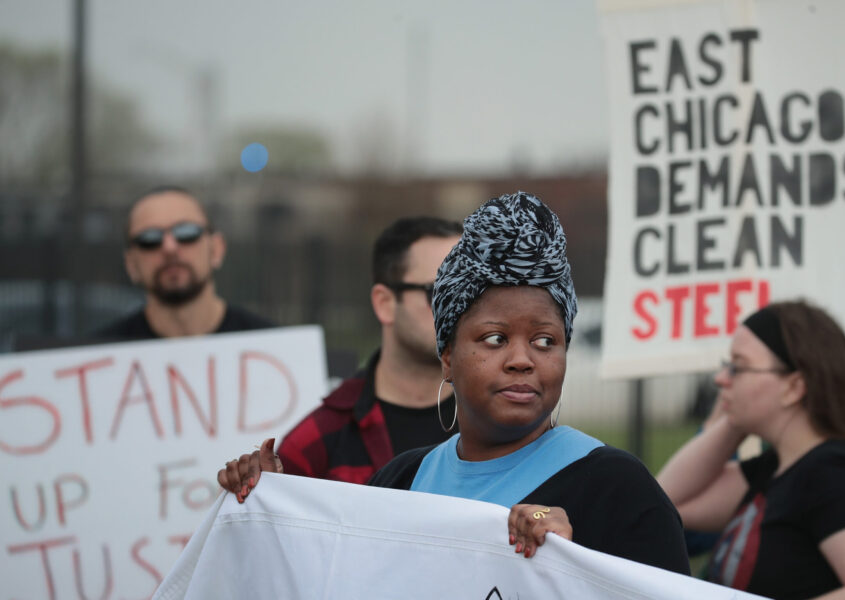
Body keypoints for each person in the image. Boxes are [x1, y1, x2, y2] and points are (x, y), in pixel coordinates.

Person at [219, 192, 690, 573]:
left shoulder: (618, 490)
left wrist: (577, 559)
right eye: (494, 338)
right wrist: (273, 508)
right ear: (447, 357)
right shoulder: (401, 482)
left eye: (546, 341)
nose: (522, 360)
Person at [657, 301, 845, 599]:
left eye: (738, 366)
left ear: (794, 387)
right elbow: (666, 501)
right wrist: (734, 421)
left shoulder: (834, 473)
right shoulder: (777, 468)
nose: (721, 378)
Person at [276, 217, 463, 483]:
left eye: (468, 291)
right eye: (440, 291)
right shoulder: (316, 445)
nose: (458, 307)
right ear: (384, 303)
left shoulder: (505, 421)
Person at [97, 185, 274, 339]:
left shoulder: (274, 345)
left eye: (187, 233)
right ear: (131, 264)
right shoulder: (99, 357)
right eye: (149, 239)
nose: (169, 247)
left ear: (216, 249)